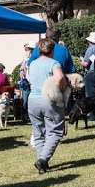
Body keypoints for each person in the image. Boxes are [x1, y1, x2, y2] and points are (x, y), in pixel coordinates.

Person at [27, 37, 69, 173]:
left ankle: (41, 162)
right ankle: (43, 159)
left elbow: (28, 78)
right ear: (53, 50)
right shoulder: (54, 63)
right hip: (49, 100)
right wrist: (62, 89)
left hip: (32, 100)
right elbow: (60, 78)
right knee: (55, 131)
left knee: (38, 132)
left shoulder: (32, 63)